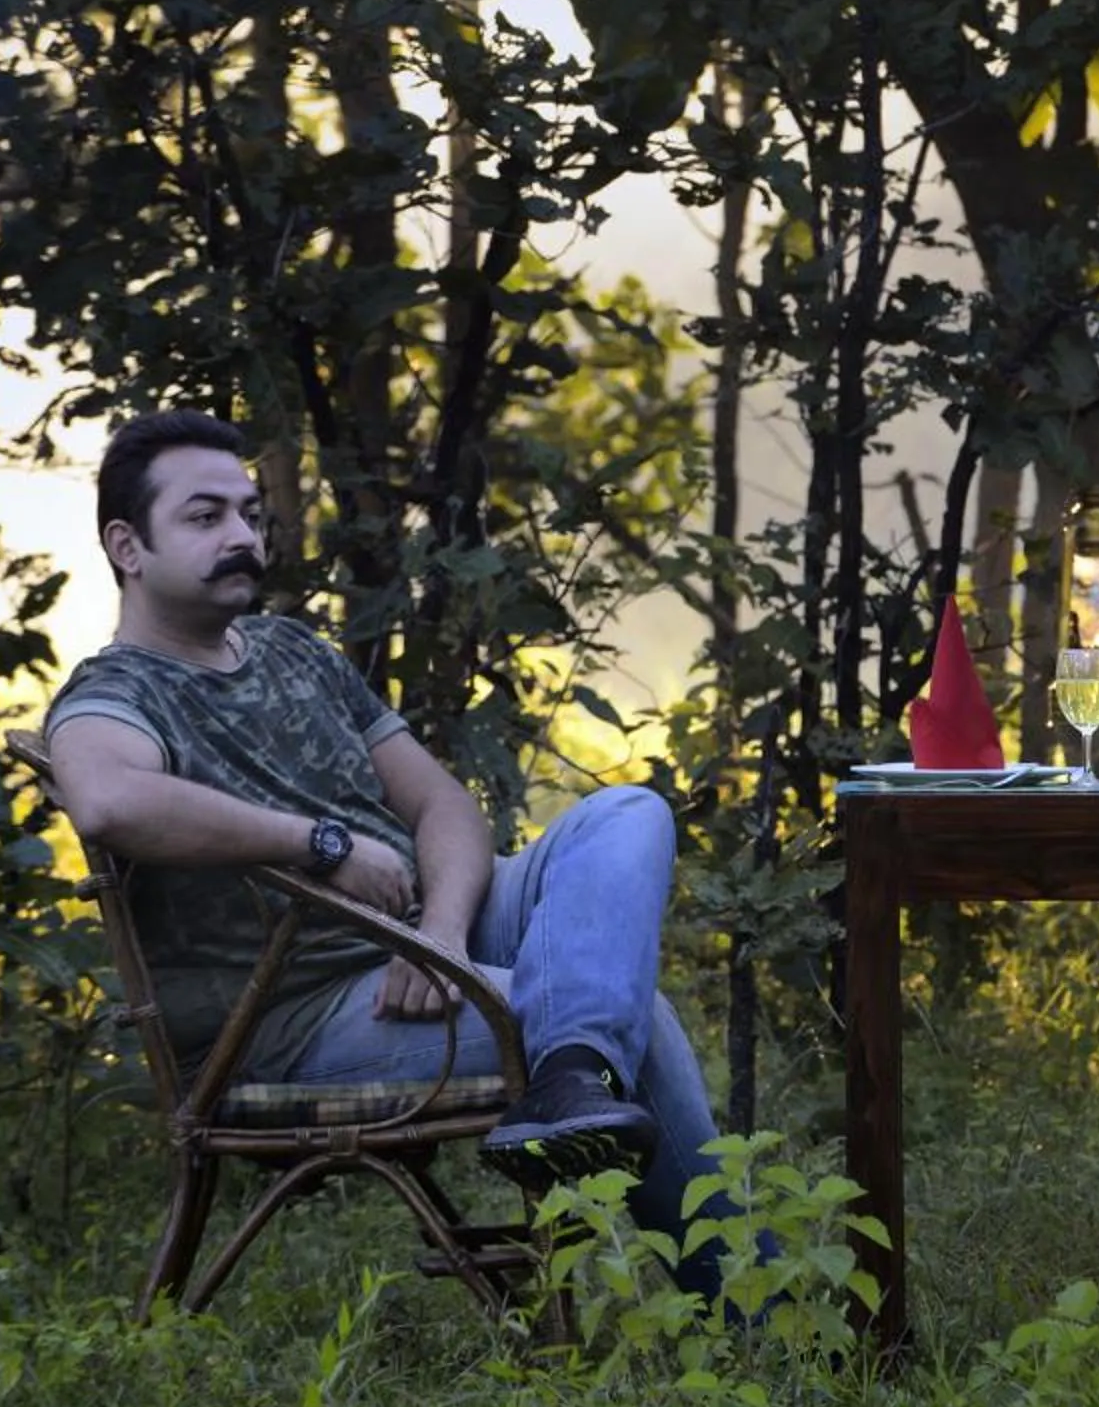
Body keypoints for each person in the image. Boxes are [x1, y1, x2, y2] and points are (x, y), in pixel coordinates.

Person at [43, 410, 735, 1299]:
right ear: (127, 546)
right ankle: (746, 1308)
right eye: (205, 516)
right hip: (291, 1021)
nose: (242, 537)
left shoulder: (295, 651)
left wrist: (442, 936)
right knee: (637, 1020)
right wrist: (323, 845)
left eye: (250, 514)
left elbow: (440, 802)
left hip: (418, 941)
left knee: (626, 813)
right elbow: (108, 798)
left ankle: (566, 1078)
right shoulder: (115, 692)